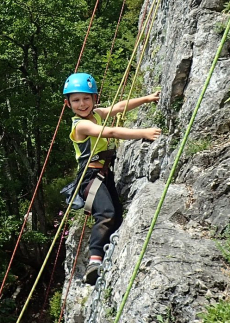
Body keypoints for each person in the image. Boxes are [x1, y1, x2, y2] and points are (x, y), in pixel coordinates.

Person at [62, 72, 161, 285]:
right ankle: (94, 262)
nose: (82, 104)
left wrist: (146, 99)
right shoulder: (80, 125)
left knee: (117, 216)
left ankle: (109, 257)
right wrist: (143, 132)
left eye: (86, 98)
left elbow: (118, 107)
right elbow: (112, 132)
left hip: (104, 174)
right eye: (76, 100)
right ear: (68, 103)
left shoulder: (96, 114)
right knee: (106, 214)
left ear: (94, 98)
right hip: (89, 178)